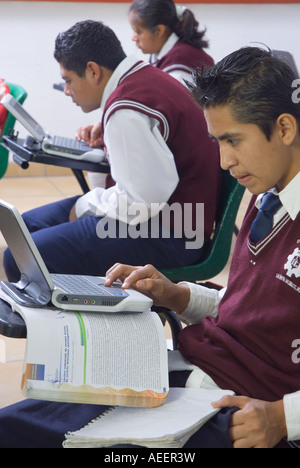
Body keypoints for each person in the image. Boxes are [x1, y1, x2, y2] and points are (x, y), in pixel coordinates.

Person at [2, 45, 298, 449]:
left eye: (233, 140)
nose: (225, 161)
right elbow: (250, 306)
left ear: (284, 129)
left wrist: (282, 418)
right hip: (190, 371)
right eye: (217, 142)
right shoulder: (269, 195)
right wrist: (177, 296)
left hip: (238, 411)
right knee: (19, 424)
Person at [3, 20, 220, 283]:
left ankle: (69, 320)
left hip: (171, 234)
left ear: (93, 71)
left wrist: (86, 205)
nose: (68, 91)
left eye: (68, 80)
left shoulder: (126, 109)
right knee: (24, 229)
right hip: (176, 219)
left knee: (20, 258)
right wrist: (110, 135)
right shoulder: (142, 78)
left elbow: (140, 203)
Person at [129, 0, 214, 86]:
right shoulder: (162, 53)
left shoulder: (178, 65)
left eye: (138, 32)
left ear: (159, 31)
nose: (133, 38)